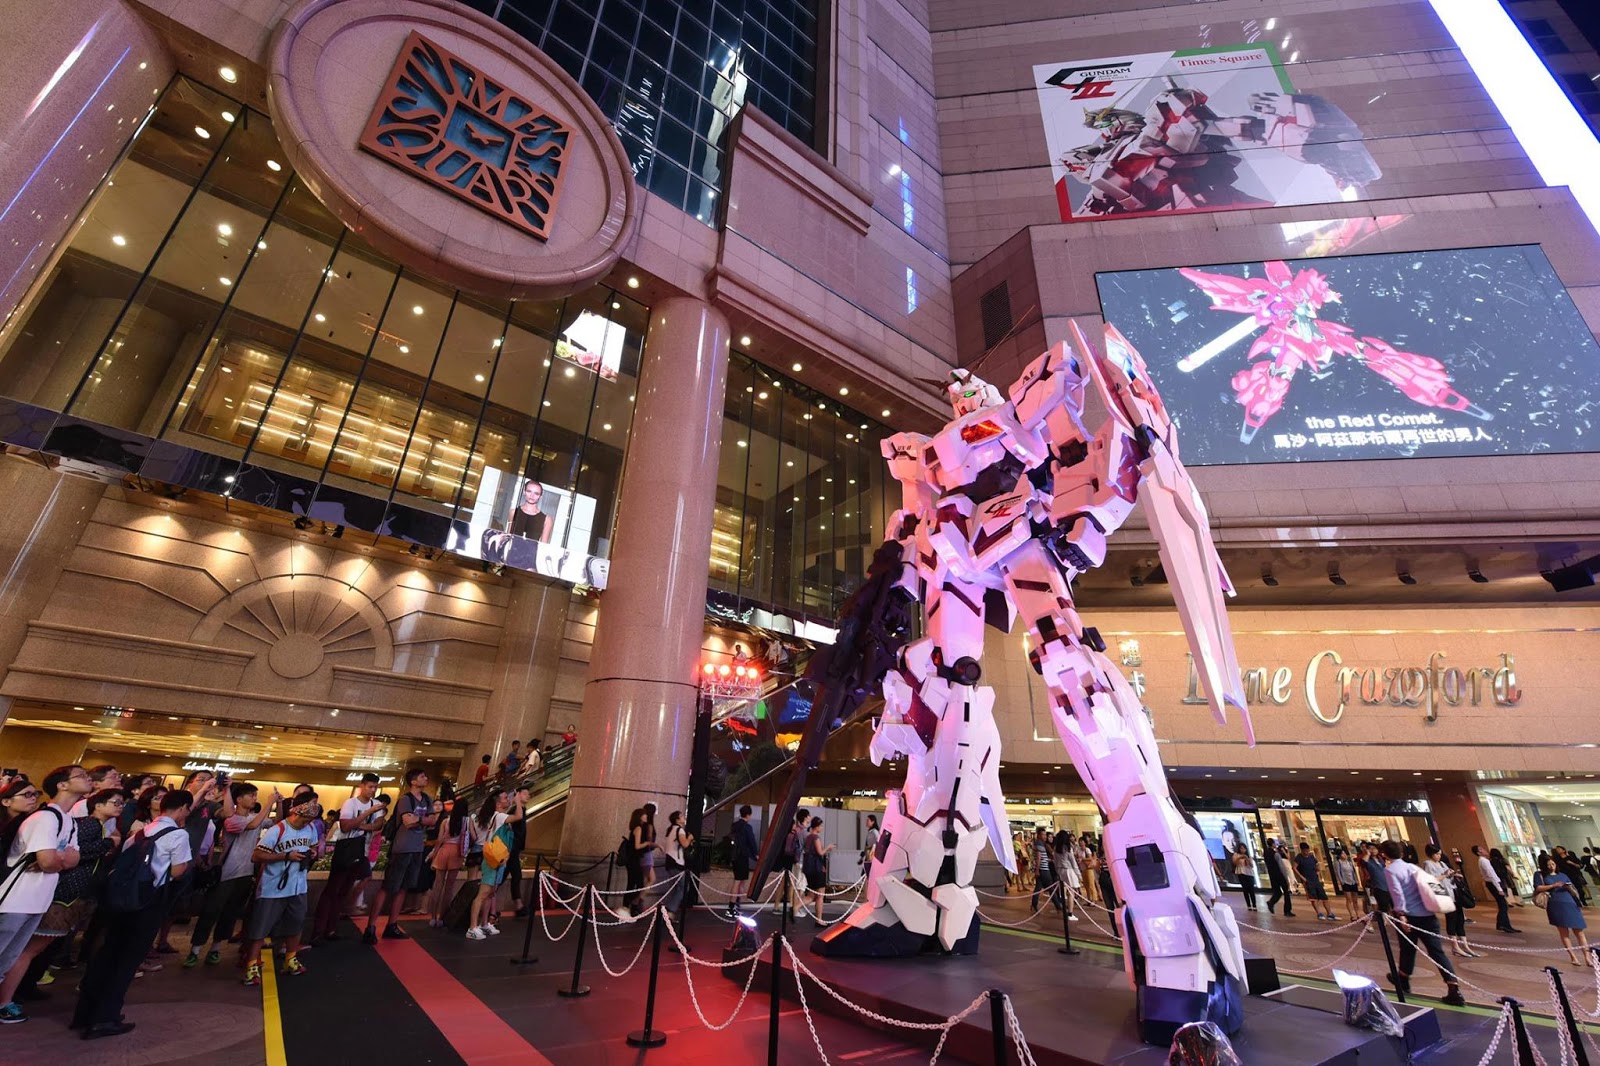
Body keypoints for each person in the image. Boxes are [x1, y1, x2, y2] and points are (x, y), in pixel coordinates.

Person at [71, 789, 193, 1039]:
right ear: (183, 808)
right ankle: (105, 1018)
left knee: (107, 954)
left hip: (120, 901)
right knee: (127, 961)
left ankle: (84, 1014)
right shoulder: (178, 834)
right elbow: (178, 870)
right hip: (147, 902)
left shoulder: (140, 832)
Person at [0, 765, 87, 1023]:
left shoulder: (68, 820)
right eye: (81, 775)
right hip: (14, 899)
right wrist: (58, 859)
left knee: (8, 958)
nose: (87, 779)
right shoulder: (45, 818)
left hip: (37, 900)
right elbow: (50, 862)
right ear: (62, 785)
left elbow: (73, 859)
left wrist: (56, 859)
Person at [188, 782, 275, 967]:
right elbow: (253, 825)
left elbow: (276, 822)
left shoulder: (254, 816)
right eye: (251, 795)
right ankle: (195, 950)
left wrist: (278, 803)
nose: (254, 798)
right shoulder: (232, 820)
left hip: (245, 874)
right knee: (211, 912)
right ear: (239, 799)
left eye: (255, 795)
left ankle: (215, 948)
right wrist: (269, 803)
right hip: (226, 874)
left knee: (230, 913)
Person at [242, 793, 319, 985]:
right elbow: (256, 855)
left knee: (296, 924)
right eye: (306, 818)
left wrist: (312, 853)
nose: (308, 822)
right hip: (273, 887)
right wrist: (285, 856)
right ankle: (251, 965)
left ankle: (290, 959)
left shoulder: (310, 829)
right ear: (297, 812)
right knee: (261, 927)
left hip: (298, 886)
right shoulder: (278, 830)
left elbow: (315, 847)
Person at [1381, 840, 1466, 1006]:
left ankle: (1404, 978)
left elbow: (1397, 893)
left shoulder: (1390, 870)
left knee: (1407, 948)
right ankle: (1453, 986)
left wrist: (1401, 914)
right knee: (1436, 951)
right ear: (1402, 853)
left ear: (1385, 854)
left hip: (1410, 916)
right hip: (1428, 915)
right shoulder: (1413, 867)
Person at [363, 769, 440, 943]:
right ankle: (371, 926)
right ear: (413, 781)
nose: (426, 778)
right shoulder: (406, 799)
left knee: (404, 887)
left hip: (417, 848)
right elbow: (407, 821)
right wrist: (422, 820)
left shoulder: (427, 799)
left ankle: (392, 924)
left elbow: (432, 821)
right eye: (422, 776)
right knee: (388, 886)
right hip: (402, 848)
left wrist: (417, 819)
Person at [311, 774, 384, 944]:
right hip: (346, 850)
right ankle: (318, 930)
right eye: (370, 787)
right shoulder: (351, 803)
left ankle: (331, 928)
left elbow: (379, 825)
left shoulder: (376, 805)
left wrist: (359, 823)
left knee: (344, 890)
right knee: (332, 890)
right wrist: (367, 815)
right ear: (362, 786)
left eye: (375, 787)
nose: (372, 790)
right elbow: (345, 826)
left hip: (361, 851)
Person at [466, 789, 523, 940]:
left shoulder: (499, 817)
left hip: (500, 860)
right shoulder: (499, 816)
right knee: (483, 894)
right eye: (505, 798)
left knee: (490, 893)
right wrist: (518, 802)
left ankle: (484, 923)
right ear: (498, 804)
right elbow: (518, 816)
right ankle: (472, 927)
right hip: (493, 860)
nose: (508, 800)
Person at [1533, 855, 1591, 966]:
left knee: (1579, 931)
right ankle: (1573, 957)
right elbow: (1538, 888)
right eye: (1548, 865)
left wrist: (1568, 888)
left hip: (1570, 903)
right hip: (1555, 904)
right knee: (1564, 933)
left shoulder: (1563, 875)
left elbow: (1573, 889)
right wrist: (1553, 885)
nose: (1551, 866)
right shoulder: (1540, 875)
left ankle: (1587, 957)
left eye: (1553, 864)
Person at [1421, 844, 1477, 958]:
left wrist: (1453, 874)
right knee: (1451, 919)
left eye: (1440, 854)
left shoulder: (1442, 863)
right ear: (1431, 854)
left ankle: (1465, 945)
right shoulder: (1428, 864)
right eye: (1437, 854)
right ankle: (1455, 946)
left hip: (1454, 893)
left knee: (1460, 919)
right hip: (1444, 896)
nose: (1439, 856)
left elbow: (1448, 876)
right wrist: (1444, 875)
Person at [427, 798, 470, 929]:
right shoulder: (467, 822)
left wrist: (434, 855)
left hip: (444, 851)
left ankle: (433, 917)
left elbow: (439, 840)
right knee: (449, 888)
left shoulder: (446, 821)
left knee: (437, 885)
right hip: (456, 853)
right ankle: (442, 917)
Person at [659, 810, 694, 938]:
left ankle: (667, 914)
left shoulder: (670, 830)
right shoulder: (680, 830)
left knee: (674, 889)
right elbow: (684, 844)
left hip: (669, 862)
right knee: (683, 888)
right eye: (681, 816)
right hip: (676, 863)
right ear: (677, 819)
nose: (684, 817)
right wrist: (690, 838)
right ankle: (670, 911)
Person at [1473, 844, 1520, 933]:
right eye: (1481, 849)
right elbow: (1492, 875)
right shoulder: (1484, 861)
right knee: (1503, 905)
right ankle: (1505, 925)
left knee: (1502, 904)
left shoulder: (1483, 860)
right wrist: (1499, 888)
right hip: (1493, 884)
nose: (1484, 850)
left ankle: (1501, 924)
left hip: (1492, 883)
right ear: (1478, 852)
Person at [1293, 842, 1336, 921]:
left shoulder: (1311, 856)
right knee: (1313, 897)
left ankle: (1329, 913)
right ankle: (1319, 913)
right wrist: (1302, 878)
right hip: (1308, 880)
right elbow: (1294, 868)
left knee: (1324, 896)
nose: (1306, 852)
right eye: (1305, 851)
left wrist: (1318, 872)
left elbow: (1317, 864)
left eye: (1307, 850)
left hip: (1315, 878)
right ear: (1301, 850)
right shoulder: (1298, 858)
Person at [801, 816, 833, 922]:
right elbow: (820, 853)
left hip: (809, 869)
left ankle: (796, 907)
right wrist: (828, 848)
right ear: (817, 826)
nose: (822, 828)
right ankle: (818, 919)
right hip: (817, 869)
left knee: (811, 895)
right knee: (819, 895)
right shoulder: (815, 838)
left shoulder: (808, 837)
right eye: (821, 826)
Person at [505, 785, 531, 916]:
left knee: (511, 876)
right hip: (511, 849)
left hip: (514, 849)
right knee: (515, 875)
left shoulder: (521, 810)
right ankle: (518, 905)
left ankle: (518, 905)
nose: (528, 795)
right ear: (518, 794)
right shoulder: (515, 810)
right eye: (525, 793)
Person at [731, 805, 759, 900]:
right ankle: (733, 904)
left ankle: (736, 902)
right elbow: (752, 842)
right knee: (739, 881)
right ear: (748, 815)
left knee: (737, 879)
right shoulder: (747, 827)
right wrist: (756, 854)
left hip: (734, 855)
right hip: (742, 856)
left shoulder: (734, 825)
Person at [1052, 830, 1080, 918]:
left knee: (1064, 892)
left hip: (1060, 870)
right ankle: (1070, 913)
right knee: (1071, 893)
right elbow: (1073, 863)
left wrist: (1057, 871)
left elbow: (1055, 862)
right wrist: (1079, 875)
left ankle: (1066, 910)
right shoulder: (1068, 848)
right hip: (1069, 870)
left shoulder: (1056, 849)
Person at [1361, 843, 1392, 914]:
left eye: (1374, 848)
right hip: (1378, 886)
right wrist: (1368, 854)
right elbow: (1363, 862)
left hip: (1387, 885)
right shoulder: (1368, 861)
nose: (1373, 850)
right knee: (1382, 907)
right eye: (1370, 848)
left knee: (1390, 906)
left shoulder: (1381, 859)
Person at [1031, 827, 1056, 913]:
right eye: (1043, 834)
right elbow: (1038, 857)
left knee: (1038, 887)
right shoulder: (1039, 844)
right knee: (1051, 888)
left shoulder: (1040, 843)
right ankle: (1058, 905)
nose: (1045, 836)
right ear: (1038, 835)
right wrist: (1037, 870)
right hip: (1043, 869)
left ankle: (1034, 904)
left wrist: (1048, 860)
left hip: (1042, 868)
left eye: (1045, 834)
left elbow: (1042, 857)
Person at [1231, 845, 1258, 911]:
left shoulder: (1248, 855)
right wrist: (1240, 857)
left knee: (1251, 889)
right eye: (1241, 848)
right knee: (1245, 889)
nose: (1242, 850)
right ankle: (1248, 905)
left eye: (1244, 848)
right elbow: (1234, 863)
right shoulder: (1236, 855)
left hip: (1249, 873)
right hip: (1241, 873)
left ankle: (1254, 905)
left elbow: (1251, 865)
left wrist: (1246, 858)